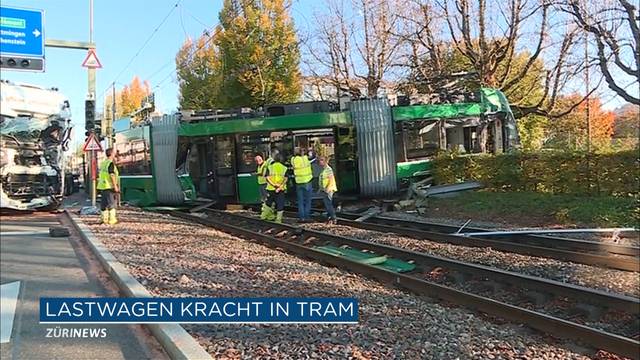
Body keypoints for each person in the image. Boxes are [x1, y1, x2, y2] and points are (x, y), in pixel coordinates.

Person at [96, 148, 120, 225]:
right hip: (109, 186)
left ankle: (104, 219)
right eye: (114, 152)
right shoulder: (110, 163)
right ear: (112, 154)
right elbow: (112, 175)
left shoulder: (103, 163)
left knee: (104, 204)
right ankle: (112, 220)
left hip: (102, 186)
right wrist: (115, 186)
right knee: (111, 204)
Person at [262, 153, 288, 223]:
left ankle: (263, 216)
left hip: (271, 188)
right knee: (280, 204)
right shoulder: (284, 168)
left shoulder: (270, 167)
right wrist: (280, 187)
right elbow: (285, 179)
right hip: (280, 189)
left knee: (268, 202)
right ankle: (278, 220)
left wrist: (274, 185)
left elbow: (267, 178)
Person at [291, 147, 313, 222]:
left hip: (298, 182)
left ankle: (301, 217)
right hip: (307, 182)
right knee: (308, 200)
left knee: (300, 201)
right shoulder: (305, 158)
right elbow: (311, 157)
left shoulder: (293, 160)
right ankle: (307, 217)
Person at [318, 156, 338, 224]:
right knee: (327, 204)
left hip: (328, 189)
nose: (320, 161)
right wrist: (320, 189)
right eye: (320, 160)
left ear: (325, 161)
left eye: (322, 160)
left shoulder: (328, 169)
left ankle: (333, 217)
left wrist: (327, 188)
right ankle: (329, 217)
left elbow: (331, 179)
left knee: (328, 204)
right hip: (324, 189)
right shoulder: (324, 169)